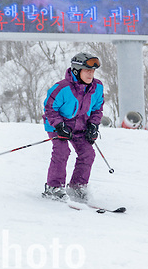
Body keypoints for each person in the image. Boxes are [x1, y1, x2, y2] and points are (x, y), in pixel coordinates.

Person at [42, 52, 104, 203]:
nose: (91, 74)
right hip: (58, 126)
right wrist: (59, 125)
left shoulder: (97, 87)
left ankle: (77, 186)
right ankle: (53, 187)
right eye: (87, 71)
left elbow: (97, 108)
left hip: (81, 127)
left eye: (93, 71)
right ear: (77, 71)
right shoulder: (62, 88)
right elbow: (50, 108)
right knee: (62, 151)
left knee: (88, 153)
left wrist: (93, 125)